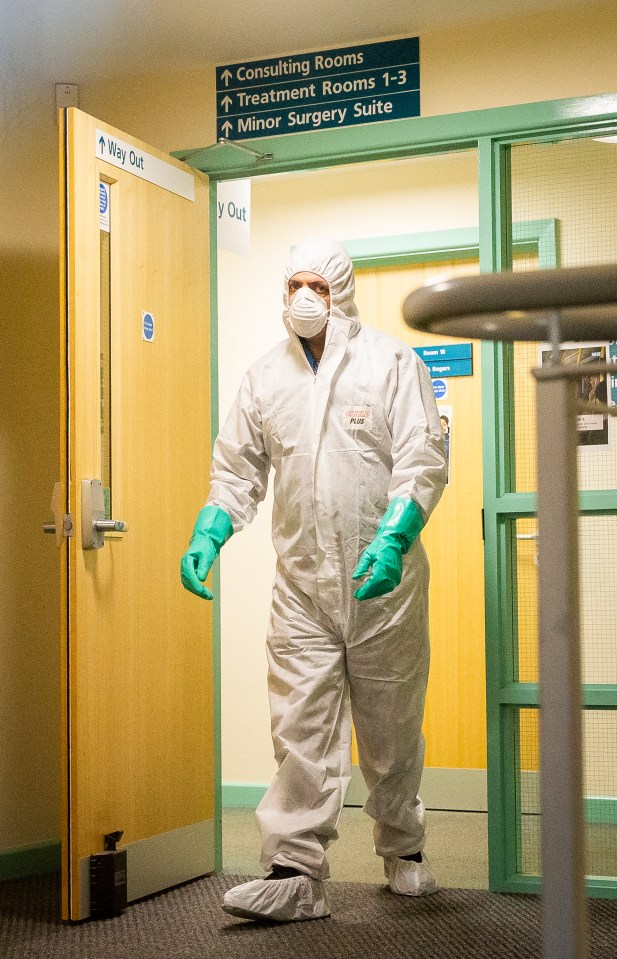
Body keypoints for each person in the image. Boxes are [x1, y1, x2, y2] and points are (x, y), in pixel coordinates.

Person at [181, 237, 447, 923]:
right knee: (298, 729)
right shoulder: (264, 376)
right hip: (300, 586)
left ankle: (403, 849)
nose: (304, 296)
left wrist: (393, 537)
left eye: (318, 286)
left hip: (381, 581)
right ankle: (294, 871)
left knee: (389, 730)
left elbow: (421, 458)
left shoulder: (391, 361)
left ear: (342, 291)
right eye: (295, 282)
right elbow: (237, 468)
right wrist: (210, 530)